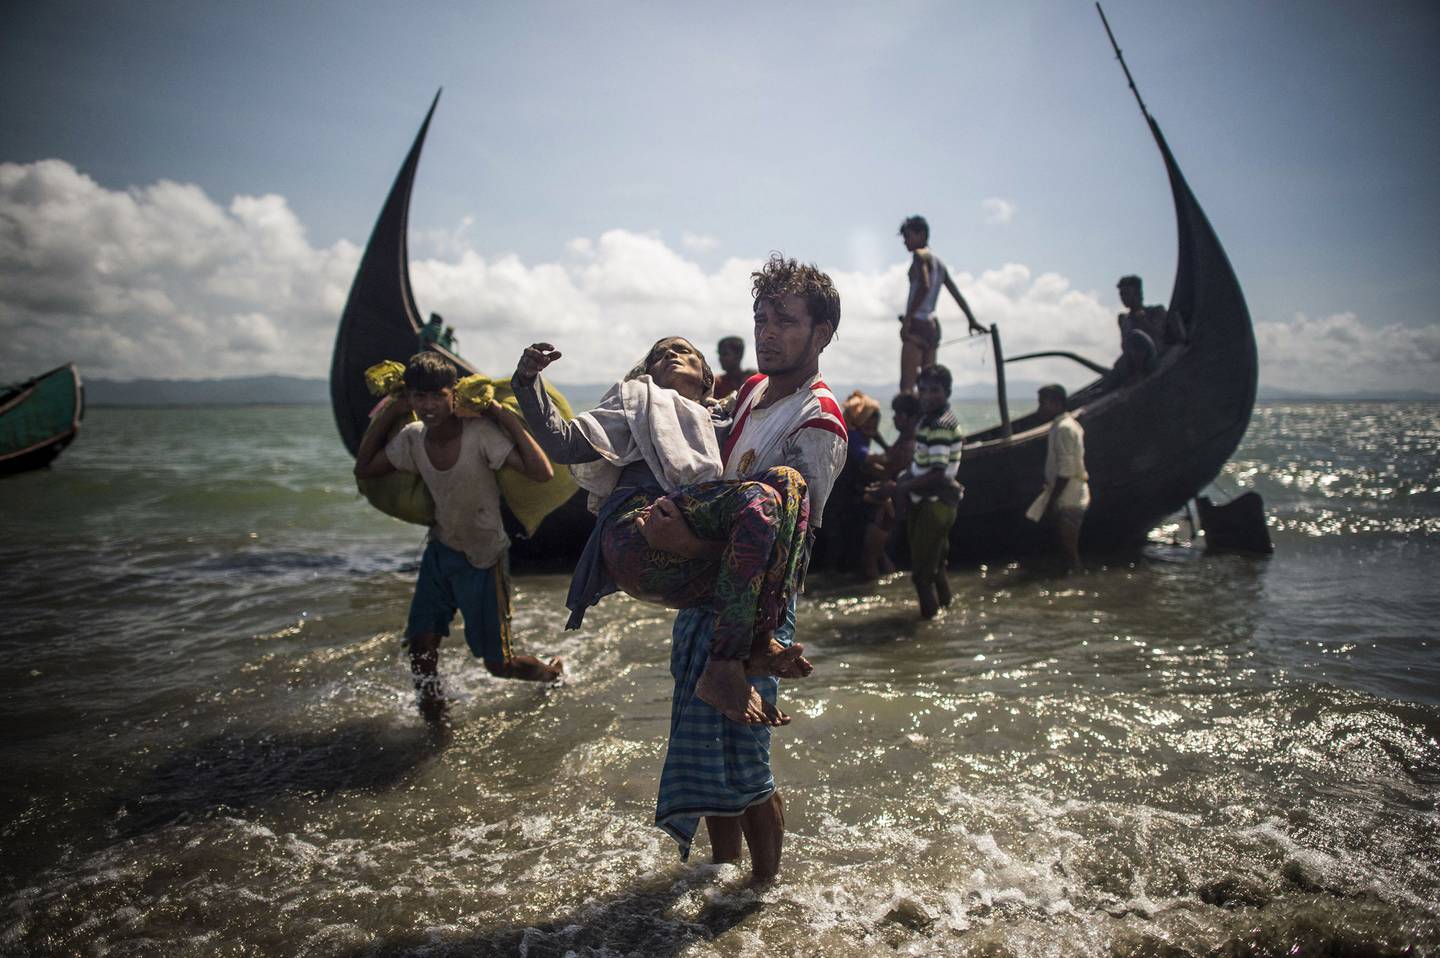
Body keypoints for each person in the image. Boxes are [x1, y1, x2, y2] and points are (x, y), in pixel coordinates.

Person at [646, 253, 848, 883]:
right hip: (704, 601)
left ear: (821, 335)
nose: (766, 332)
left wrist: (687, 549)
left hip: (754, 613)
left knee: (748, 764)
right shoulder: (755, 392)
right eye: (761, 317)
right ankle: (720, 872)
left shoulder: (817, 424)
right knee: (709, 758)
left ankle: (761, 896)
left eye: (783, 320)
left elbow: (787, 550)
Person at [510, 335, 809, 726]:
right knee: (762, 498)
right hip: (639, 530)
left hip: (688, 544)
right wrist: (528, 382)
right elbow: (564, 445)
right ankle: (723, 667)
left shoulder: (723, 420)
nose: (669, 354)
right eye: (659, 354)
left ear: (706, 378)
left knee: (789, 484)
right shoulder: (636, 402)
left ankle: (756, 642)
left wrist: (692, 544)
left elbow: (776, 395)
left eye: (682, 351)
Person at [353, 351, 561, 720]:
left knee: (499, 665)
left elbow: (541, 472)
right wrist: (390, 410)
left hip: (484, 559)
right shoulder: (413, 438)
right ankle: (435, 724)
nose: (428, 405)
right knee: (420, 647)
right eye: (419, 396)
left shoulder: (480, 434)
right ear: (410, 399)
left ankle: (551, 674)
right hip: (440, 552)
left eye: (437, 395)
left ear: (454, 395)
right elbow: (365, 468)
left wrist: (499, 414)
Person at [876, 364, 963, 618]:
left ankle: (928, 633)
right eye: (922, 389)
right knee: (936, 569)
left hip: (935, 503)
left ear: (946, 392)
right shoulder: (929, 421)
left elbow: (937, 473)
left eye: (934, 390)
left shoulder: (939, 425)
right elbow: (922, 465)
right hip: (934, 502)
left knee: (922, 577)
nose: (926, 395)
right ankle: (946, 616)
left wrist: (901, 486)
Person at [898, 215, 986, 394]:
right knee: (927, 383)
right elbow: (956, 294)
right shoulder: (939, 264)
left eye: (908, 236)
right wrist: (971, 320)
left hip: (917, 325)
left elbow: (924, 285)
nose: (905, 241)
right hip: (932, 327)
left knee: (907, 386)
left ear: (921, 235)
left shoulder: (919, 255)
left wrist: (907, 319)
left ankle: (908, 419)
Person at [859, 393, 922, 580]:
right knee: (879, 557)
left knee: (870, 559)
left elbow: (890, 468)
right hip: (889, 511)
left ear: (909, 417)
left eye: (897, 414)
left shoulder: (908, 446)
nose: (894, 418)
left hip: (888, 513)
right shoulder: (904, 441)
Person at [1026, 383, 1089, 569]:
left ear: (1056, 403)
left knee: (1068, 548)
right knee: (1065, 547)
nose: (1039, 409)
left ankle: (1073, 584)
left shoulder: (1063, 428)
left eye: (1043, 403)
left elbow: (1066, 470)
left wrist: (1052, 500)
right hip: (1069, 495)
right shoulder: (1064, 425)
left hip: (1069, 498)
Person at [1113, 275, 1184, 380]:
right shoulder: (1123, 319)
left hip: (1155, 361)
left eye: (1126, 293)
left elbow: (1160, 335)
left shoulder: (1156, 312)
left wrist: (1143, 320)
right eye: (1121, 294)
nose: (1123, 298)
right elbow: (1125, 346)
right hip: (1131, 365)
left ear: (1138, 294)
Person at [713, 335, 756, 400]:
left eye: (725, 354)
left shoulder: (753, 379)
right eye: (720, 354)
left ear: (739, 355)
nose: (721, 358)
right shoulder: (717, 384)